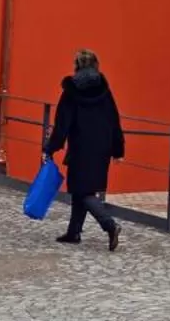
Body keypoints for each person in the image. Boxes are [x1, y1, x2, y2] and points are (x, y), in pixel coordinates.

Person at [44, 48, 125, 249]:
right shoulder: (104, 90)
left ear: (77, 65)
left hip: (81, 146)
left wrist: (50, 147)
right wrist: (118, 149)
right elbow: (114, 119)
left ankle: (110, 225)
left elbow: (62, 122)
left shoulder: (71, 91)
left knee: (82, 191)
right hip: (102, 147)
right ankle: (74, 232)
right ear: (96, 65)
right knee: (83, 188)